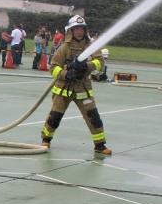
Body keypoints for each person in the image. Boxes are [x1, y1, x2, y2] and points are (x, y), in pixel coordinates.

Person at [40, 15, 111, 155]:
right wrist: (66, 74)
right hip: (63, 89)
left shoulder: (91, 47)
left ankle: (100, 145)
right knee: (55, 116)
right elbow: (53, 67)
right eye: (76, 29)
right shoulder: (64, 47)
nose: (79, 31)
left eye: (81, 29)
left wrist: (86, 65)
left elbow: (100, 63)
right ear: (70, 31)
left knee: (93, 117)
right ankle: (46, 139)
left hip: (83, 88)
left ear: (85, 30)